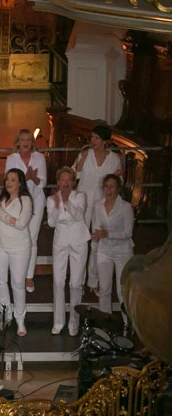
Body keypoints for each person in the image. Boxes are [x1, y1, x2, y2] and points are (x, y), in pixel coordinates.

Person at [0, 169, 34, 335]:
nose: (9, 183)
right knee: (0, 281)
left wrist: (0, 211)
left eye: (13, 180)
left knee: (18, 283)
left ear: (20, 183)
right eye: (7, 179)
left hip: (19, 247)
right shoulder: (1, 198)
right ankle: (6, 314)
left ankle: (20, 319)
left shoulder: (25, 200)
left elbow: (21, 224)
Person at [75, 124, 123, 292]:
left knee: (97, 242)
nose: (93, 141)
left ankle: (93, 280)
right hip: (83, 202)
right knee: (81, 241)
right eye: (92, 137)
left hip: (101, 205)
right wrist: (83, 157)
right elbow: (76, 174)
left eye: (96, 138)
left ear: (104, 141)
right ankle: (78, 280)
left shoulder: (113, 158)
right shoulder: (85, 154)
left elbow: (116, 181)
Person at [46, 166, 90, 335]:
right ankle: (58, 322)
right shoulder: (51, 199)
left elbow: (78, 215)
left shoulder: (80, 196)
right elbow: (51, 222)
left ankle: (74, 322)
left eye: (69, 180)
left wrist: (66, 202)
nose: (65, 183)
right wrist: (58, 206)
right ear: (58, 182)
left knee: (76, 283)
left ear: (73, 182)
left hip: (79, 241)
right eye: (62, 180)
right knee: (58, 281)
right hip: (60, 242)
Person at [5, 129, 46, 292]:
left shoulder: (39, 158)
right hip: (18, 202)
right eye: (22, 140)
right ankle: (17, 274)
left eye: (29, 140)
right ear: (17, 142)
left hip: (36, 201)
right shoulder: (11, 159)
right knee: (17, 237)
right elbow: (9, 182)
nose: (26, 143)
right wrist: (24, 179)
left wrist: (33, 178)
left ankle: (29, 276)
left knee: (32, 239)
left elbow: (42, 183)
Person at [91, 174, 134, 316]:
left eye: (112, 186)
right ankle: (106, 323)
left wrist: (108, 234)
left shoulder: (126, 207)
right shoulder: (98, 205)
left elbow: (128, 232)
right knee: (104, 289)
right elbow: (97, 228)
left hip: (123, 252)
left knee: (122, 290)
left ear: (118, 189)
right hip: (104, 250)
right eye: (106, 186)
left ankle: (127, 323)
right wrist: (97, 236)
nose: (108, 190)